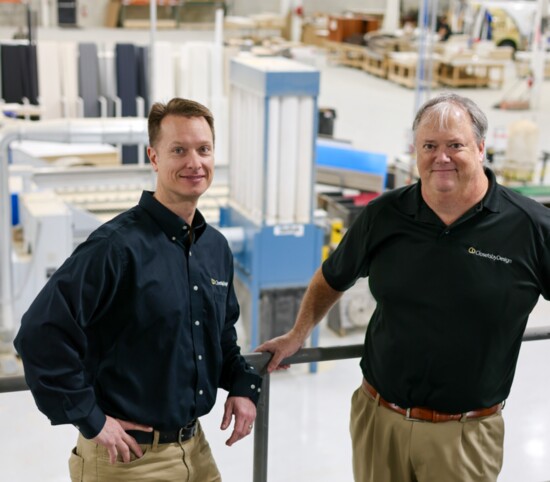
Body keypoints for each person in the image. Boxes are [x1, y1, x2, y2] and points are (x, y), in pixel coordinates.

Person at [256, 92, 550, 482]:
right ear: (416, 151)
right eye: (429, 146)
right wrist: (299, 333)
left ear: (481, 149)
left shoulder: (529, 226)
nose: (440, 157)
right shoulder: (385, 214)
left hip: (464, 435)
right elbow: (333, 276)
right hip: (379, 419)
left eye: (455, 146)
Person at [14, 98, 262, 482]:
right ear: (154, 157)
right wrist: (91, 420)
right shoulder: (115, 247)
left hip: (195, 450)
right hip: (129, 462)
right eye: (178, 150)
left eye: (204, 149)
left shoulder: (214, 248)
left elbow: (220, 335)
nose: (194, 162)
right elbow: (39, 333)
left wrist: (243, 385)